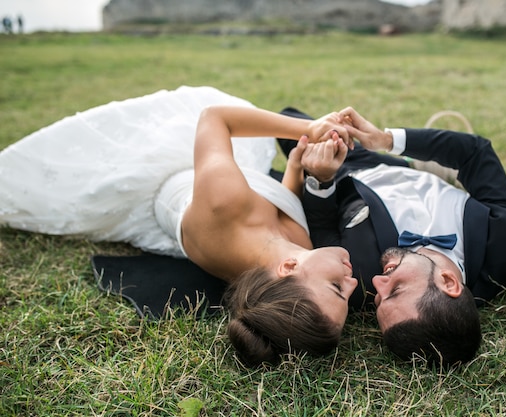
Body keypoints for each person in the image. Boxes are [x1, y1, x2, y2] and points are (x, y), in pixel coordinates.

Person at [0, 86, 358, 367]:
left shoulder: (225, 203)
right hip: (230, 195)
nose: (353, 280)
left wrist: (309, 127)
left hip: (167, 179)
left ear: (289, 269)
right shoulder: (297, 248)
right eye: (346, 290)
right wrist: (296, 165)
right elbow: (284, 206)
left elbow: (215, 118)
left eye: (336, 287)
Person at [279, 106, 506, 367]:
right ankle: (424, 165)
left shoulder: (358, 280)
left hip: (341, 171)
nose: (378, 283)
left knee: (271, 139)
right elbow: (475, 153)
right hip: (387, 161)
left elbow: (323, 228)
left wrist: (320, 180)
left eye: (379, 300)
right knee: (289, 114)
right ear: (448, 282)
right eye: (397, 289)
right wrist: (387, 140)